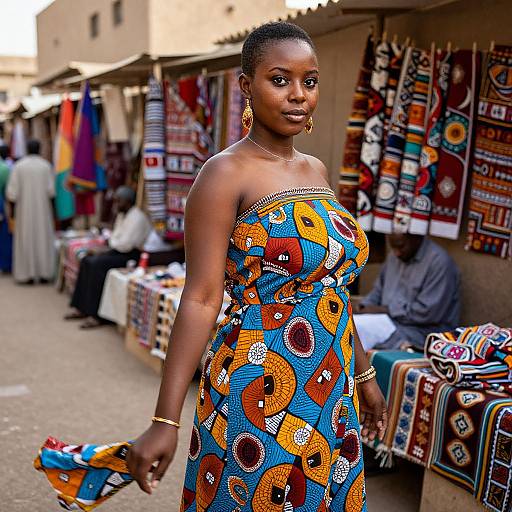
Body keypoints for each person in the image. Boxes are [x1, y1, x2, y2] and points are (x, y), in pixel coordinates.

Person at [127, 22, 387, 511]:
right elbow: (202, 297)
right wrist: (165, 421)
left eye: (309, 82)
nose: (298, 96)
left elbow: (330, 286)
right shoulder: (223, 174)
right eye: (280, 79)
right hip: (261, 381)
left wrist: (364, 374)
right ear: (247, 86)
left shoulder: (316, 171)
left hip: (330, 382)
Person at [65, 186, 152, 329]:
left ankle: (96, 315)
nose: (116, 204)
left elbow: (125, 245)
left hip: (131, 255)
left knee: (97, 265)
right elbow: (116, 238)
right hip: (119, 250)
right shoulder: (123, 214)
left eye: (119, 201)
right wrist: (105, 247)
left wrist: (108, 246)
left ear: (128, 201)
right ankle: (81, 308)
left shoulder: (137, 218)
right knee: (86, 260)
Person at [357, 233, 460, 350]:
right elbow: (378, 291)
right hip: (388, 322)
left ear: (417, 238)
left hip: (420, 333)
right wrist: (364, 306)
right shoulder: (394, 257)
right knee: (346, 324)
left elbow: (426, 313)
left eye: (401, 247)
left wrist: (385, 310)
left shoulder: (439, 263)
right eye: (393, 248)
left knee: (358, 331)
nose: (397, 253)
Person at [6, 139, 55, 284]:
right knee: (43, 239)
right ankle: (45, 273)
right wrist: (54, 213)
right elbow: (51, 192)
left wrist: (13, 214)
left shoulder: (18, 166)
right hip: (43, 211)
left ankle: (26, 274)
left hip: (23, 211)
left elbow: (12, 194)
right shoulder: (45, 166)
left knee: (25, 240)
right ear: (39, 149)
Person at [0, 144, 13, 273]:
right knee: (4, 235)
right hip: (1, 202)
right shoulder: (5, 168)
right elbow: (8, 190)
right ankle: (5, 264)